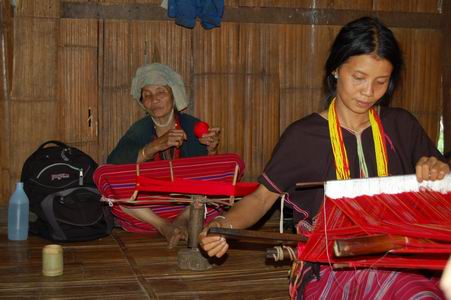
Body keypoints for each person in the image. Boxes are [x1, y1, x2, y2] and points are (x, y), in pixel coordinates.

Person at [199, 17, 450, 299]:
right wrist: (223, 227)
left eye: (381, 81)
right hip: (330, 265)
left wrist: (439, 170)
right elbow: (260, 199)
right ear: (335, 70)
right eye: (358, 78)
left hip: (401, 258)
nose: (369, 92)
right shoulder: (303, 136)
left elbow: (440, 183)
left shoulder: (402, 127)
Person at [107, 63, 220, 248]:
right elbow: (114, 165)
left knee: (231, 166)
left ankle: (181, 221)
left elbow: (210, 175)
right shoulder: (140, 130)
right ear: (142, 102)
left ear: (173, 96)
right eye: (148, 95)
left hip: (188, 204)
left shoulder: (191, 125)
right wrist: (154, 146)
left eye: (161, 92)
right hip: (148, 208)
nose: (155, 99)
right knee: (103, 175)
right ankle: (164, 226)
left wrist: (212, 150)